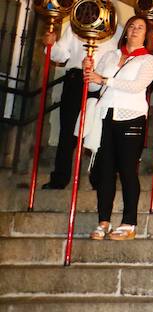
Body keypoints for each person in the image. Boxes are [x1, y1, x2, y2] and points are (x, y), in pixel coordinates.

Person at [83, 16, 153, 241]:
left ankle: (129, 222)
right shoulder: (111, 55)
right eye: (132, 26)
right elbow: (94, 85)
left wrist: (105, 80)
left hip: (131, 117)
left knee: (127, 170)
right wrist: (88, 71)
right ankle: (103, 221)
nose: (134, 30)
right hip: (106, 115)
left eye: (140, 27)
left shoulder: (148, 60)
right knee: (105, 172)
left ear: (146, 34)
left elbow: (136, 86)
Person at [42, 22, 123, 189]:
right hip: (76, 79)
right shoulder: (76, 22)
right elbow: (61, 55)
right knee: (68, 131)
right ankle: (59, 178)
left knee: (99, 131)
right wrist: (52, 44)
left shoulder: (116, 27)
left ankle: (99, 179)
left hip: (102, 81)